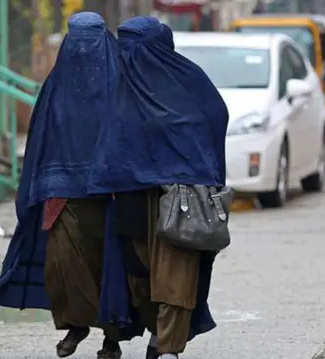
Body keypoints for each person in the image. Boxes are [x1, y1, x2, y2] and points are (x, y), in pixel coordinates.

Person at [0, 12, 145, 359]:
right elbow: (40, 141)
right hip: (64, 195)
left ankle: (112, 340)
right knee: (63, 265)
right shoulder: (56, 88)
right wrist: (39, 185)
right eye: (77, 40)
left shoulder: (125, 85)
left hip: (112, 195)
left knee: (113, 271)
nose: (84, 49)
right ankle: (75, 324)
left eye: (91, 39)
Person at [87, 16, 229, 359]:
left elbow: (212, 119)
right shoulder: (120, 84)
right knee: (139, 273)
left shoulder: (189, 82)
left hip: (182, 194)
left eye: (136, 47)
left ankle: (168, 347)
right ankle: (157, 335)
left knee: (176, 274)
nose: (128, 54)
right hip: (133, 194)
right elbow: (109, 135)